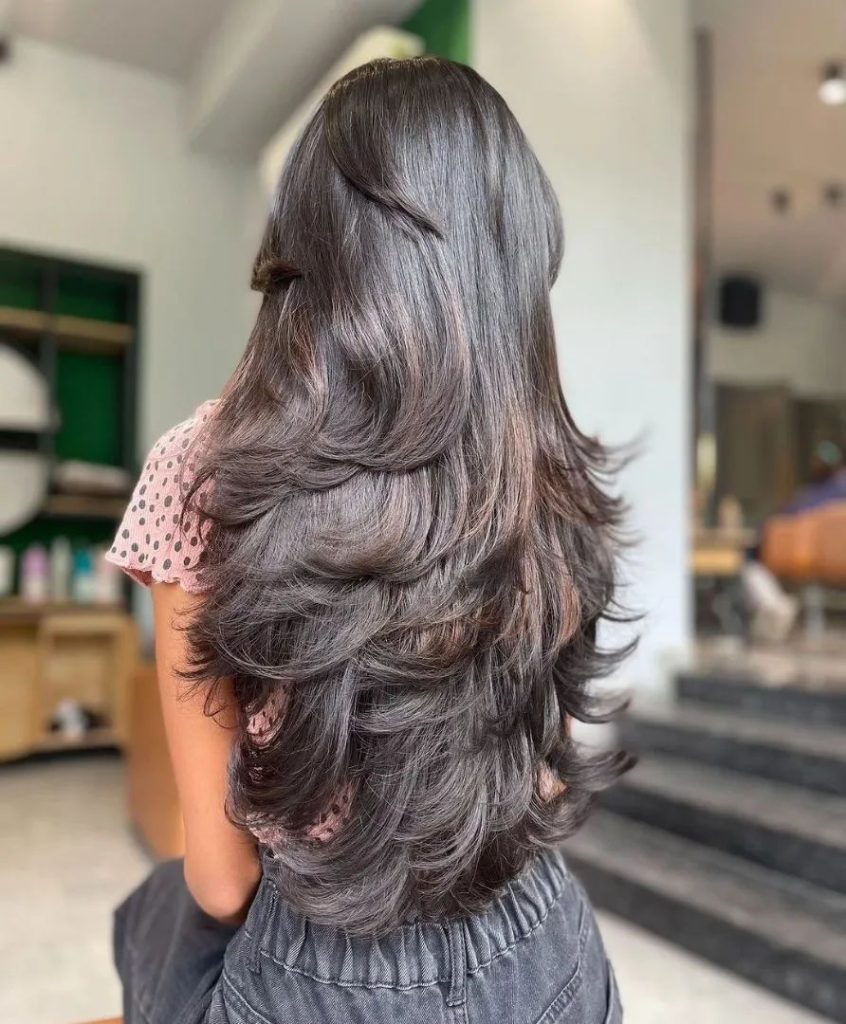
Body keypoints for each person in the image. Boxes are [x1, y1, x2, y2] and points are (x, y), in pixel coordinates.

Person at [107, 56, 630, 1024]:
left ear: (306, 247)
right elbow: (545, 774)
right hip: (545, 946)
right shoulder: (543, 475)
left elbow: (221, 883)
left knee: (145, 917)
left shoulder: (202, 470)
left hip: (318, 976)